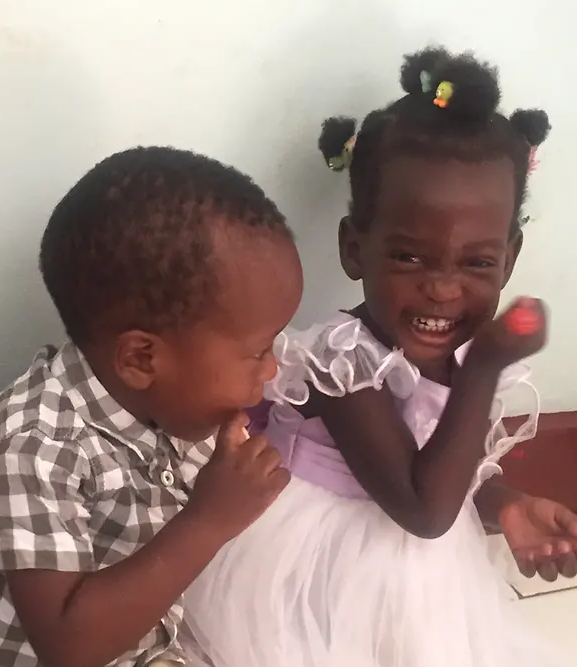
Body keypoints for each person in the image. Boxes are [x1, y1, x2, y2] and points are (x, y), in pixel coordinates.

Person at [185, 47, 577, 667]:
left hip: (416, 579)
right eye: (409, 257)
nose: (442, 289)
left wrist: (505, 504)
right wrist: (484, 369)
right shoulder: (338, 365)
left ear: (509, 259)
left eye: (477, 262)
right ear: (354, 248)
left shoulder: (463, 351)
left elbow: (447, 465)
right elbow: (423, 508)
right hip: (313, 571)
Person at [0, 146, 302, 667]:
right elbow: (69, 645)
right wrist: (210, 519)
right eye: (258, 351)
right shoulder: (32, 450)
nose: (271, 369)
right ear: (141, 358)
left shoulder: (174, 410)